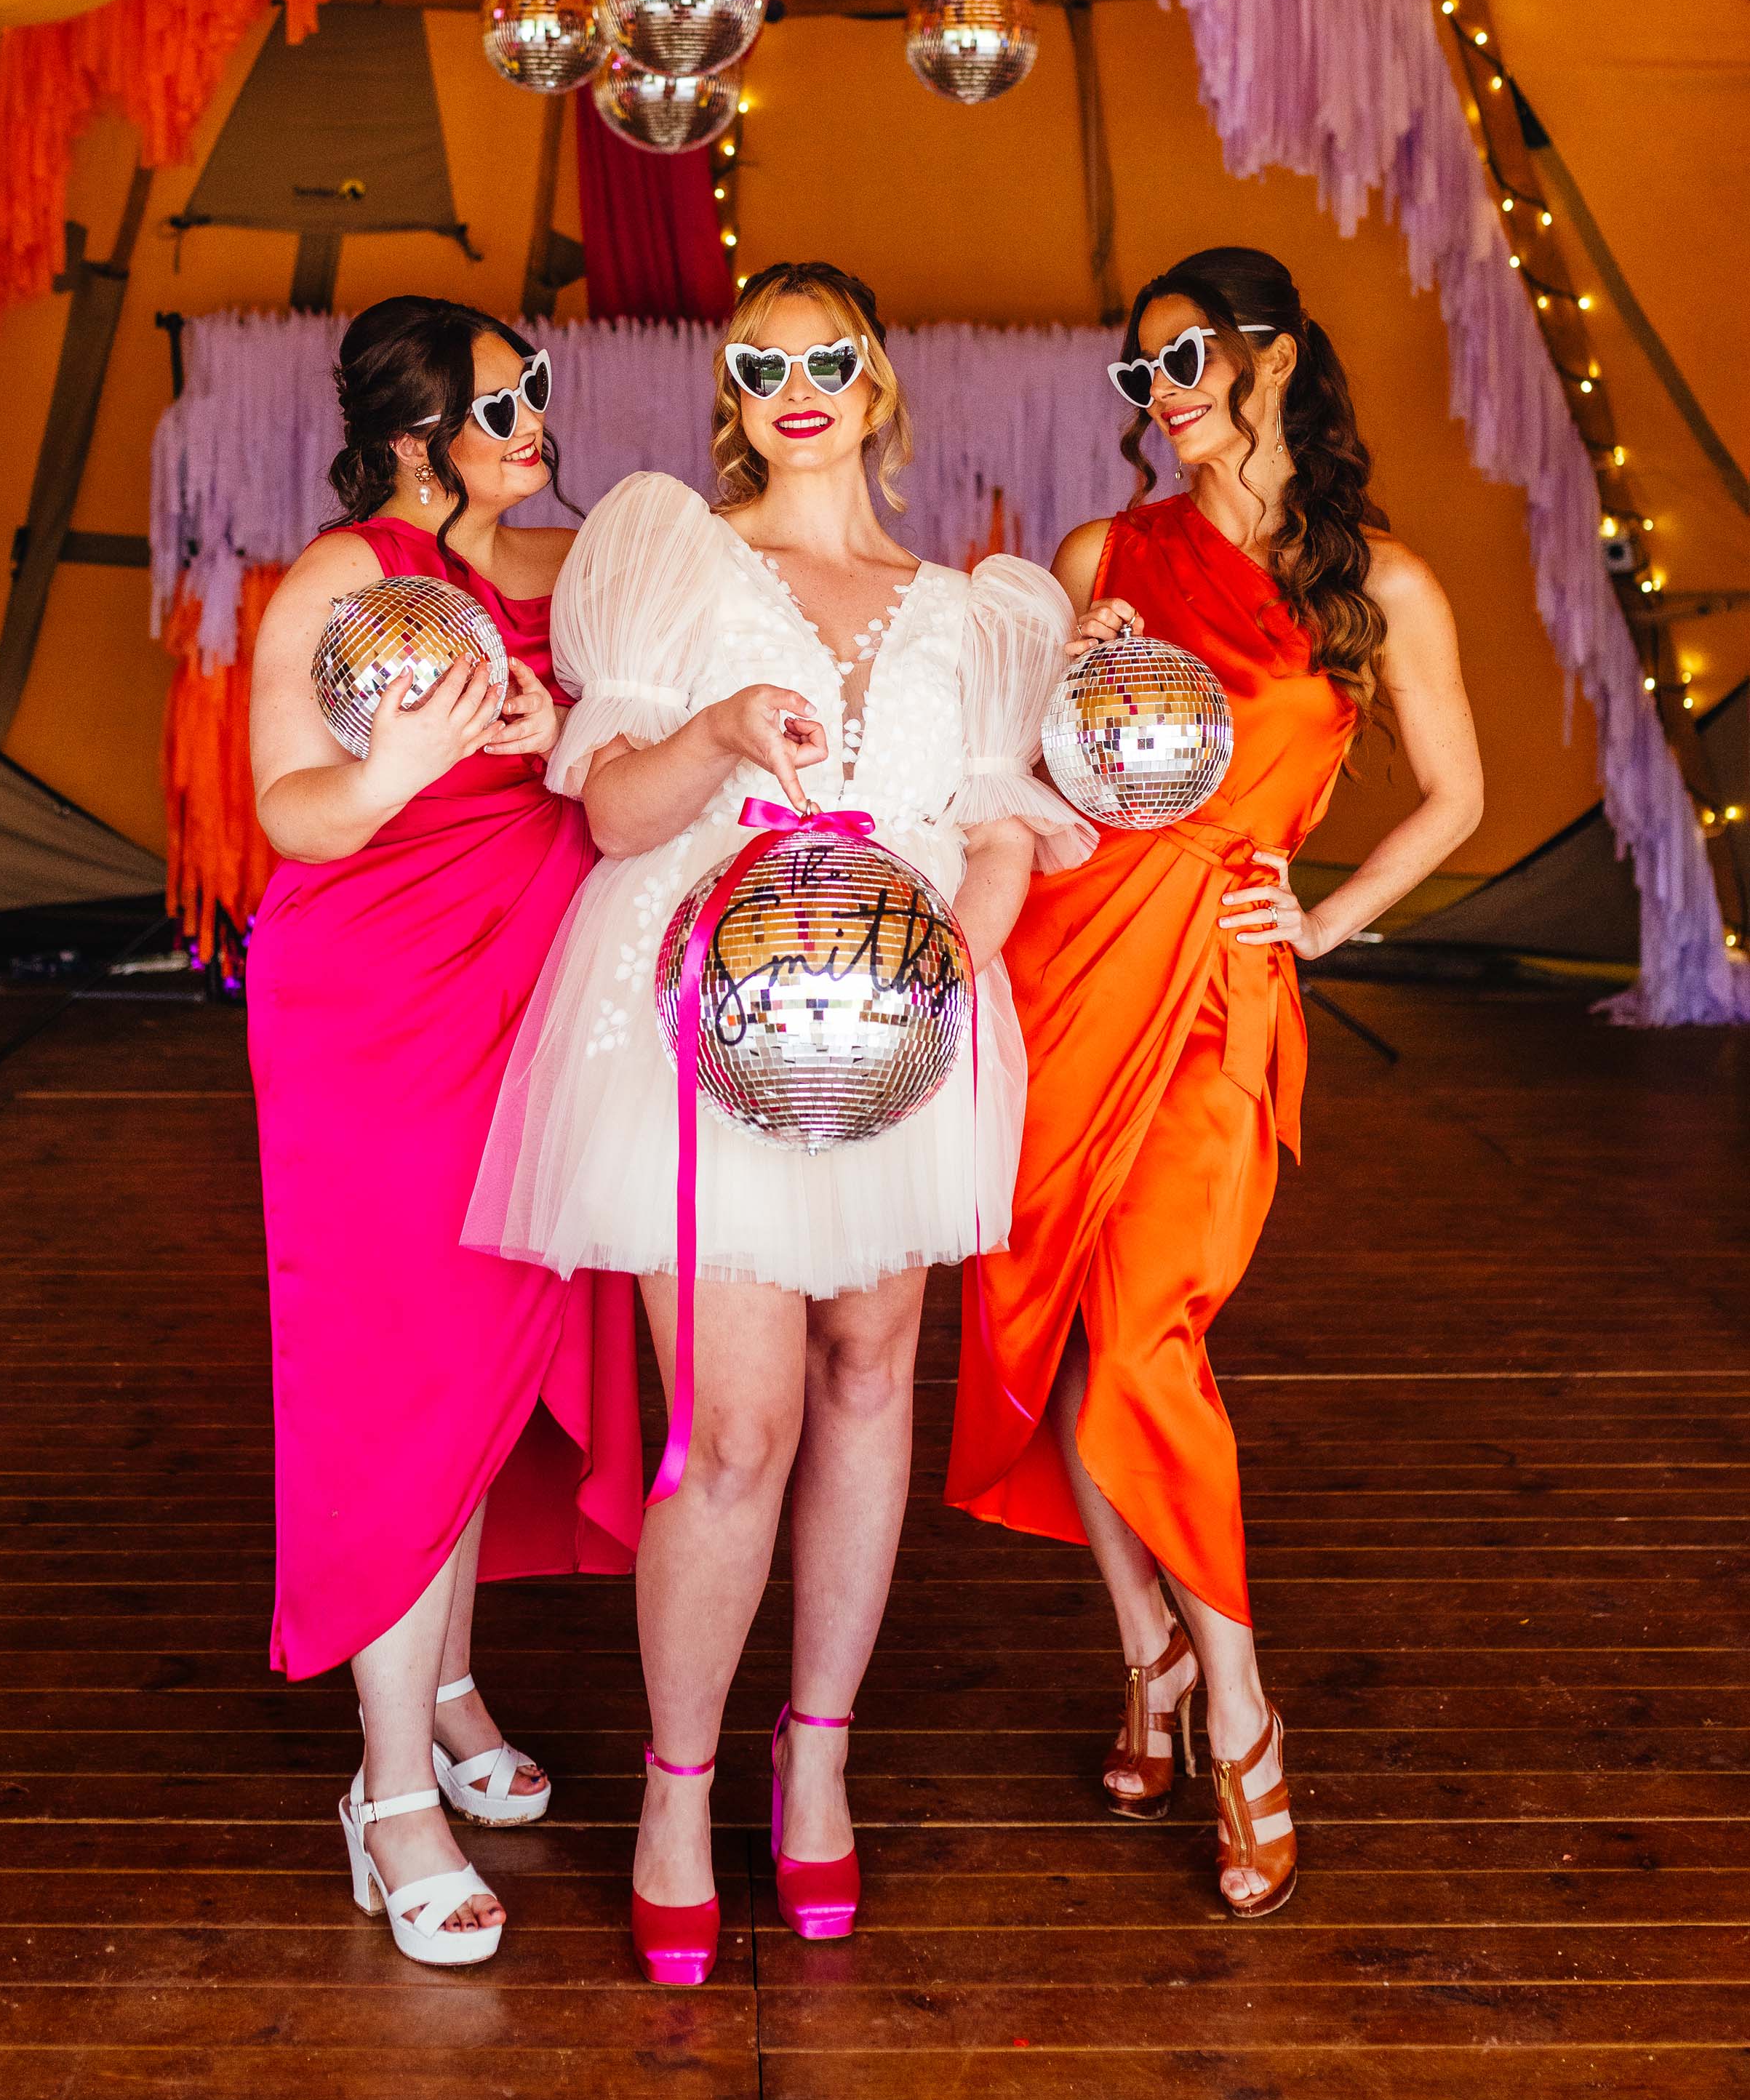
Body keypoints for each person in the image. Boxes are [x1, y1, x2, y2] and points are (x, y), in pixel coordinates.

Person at [464, 262, 1091, 1984]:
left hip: (894, 1026)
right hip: (697, 1006)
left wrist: (960, 940)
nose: (796, 384)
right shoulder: (670, 550)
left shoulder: (967, 608)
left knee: (869, 1373)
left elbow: (999, 827)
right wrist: (725, 729)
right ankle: (676, 1792)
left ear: (877, 382)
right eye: (763, 362)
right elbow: (602, 812)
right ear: (732, 392)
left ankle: (813, 1758)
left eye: (828, 357)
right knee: (730, 1425)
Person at [948, 245, 1484, 1920]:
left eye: (1182, 357)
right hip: (1066, 954)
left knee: (1149, 1331)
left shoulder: (1378, 581)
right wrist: (1056, 668)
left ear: (1272, 354)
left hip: (1216, 983)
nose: (1160, 391)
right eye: (1138, 373)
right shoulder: (1105, 551)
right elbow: (1026, 780)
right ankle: (1142, 1651)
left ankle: (1235, 1705)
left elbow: (1454, 797)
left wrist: (1318, 917)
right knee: (1057, 1320)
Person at [246, 296, 641, 1969]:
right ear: (416, 430)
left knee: (476, 1362)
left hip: (529, 1011)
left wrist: (571, 745)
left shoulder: (556, 578)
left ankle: (454, 1681)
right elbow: (289, 803)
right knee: (399, 1368)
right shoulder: (340, 578)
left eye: (537, 390)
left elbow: (615, 774)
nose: (536, 416)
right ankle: (388, 1787)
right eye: (504, 399)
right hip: (376, 1011)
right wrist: (400, 763)